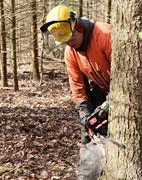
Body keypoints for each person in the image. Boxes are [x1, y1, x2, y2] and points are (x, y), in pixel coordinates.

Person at [40, 5, 111, 179]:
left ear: (78, 27)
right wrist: (86, 114)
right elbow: (78, 86)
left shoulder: (105, 36)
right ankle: (88, 175)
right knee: (89, 126)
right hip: (101, 88)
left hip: (122, 89)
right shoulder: (70, 52)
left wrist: (110, 104)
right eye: (64, 40)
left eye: (70, 37)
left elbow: (126, 75)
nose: (69, 43)